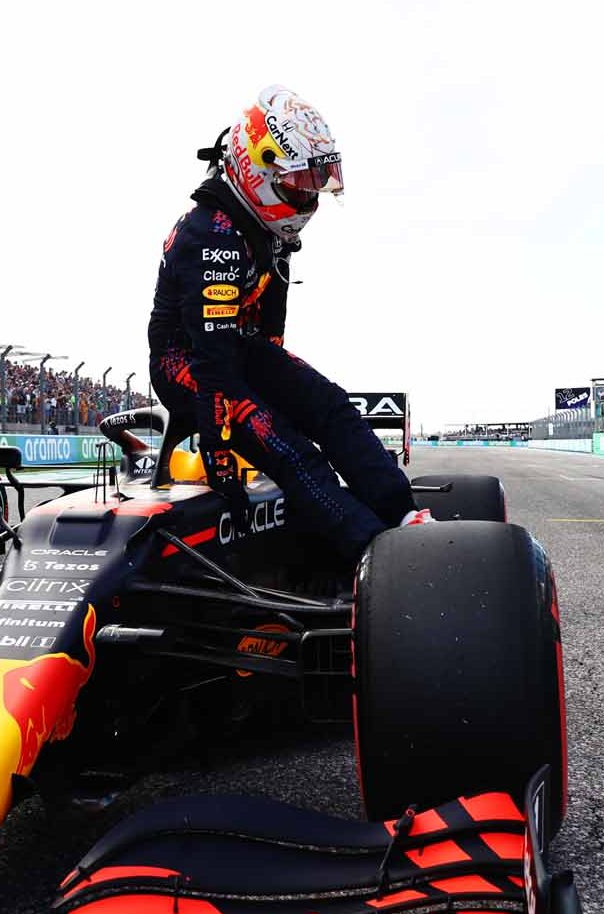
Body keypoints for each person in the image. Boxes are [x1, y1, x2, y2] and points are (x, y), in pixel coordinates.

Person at [146, 85, 425, 561]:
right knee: (289, 447)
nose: (308, 200)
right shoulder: (211, 234)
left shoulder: (268, 231)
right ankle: (373, 556)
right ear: (257, 169)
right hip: (189, 361)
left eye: (314, 184)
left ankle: (405, 517)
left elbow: (270, 336)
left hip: (241, 350)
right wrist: (219, 446)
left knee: (332, 406)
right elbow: (213, 361)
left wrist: (291, 392)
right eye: (298, 186)